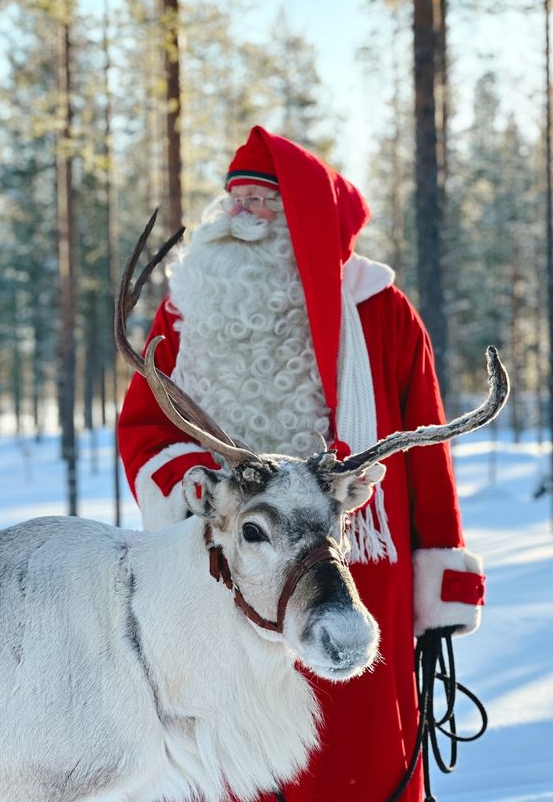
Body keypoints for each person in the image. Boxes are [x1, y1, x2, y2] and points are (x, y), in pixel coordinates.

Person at [118, 126, 485, 802]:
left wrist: (441, 571)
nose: (243, 218)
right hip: (230, 576)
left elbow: (427, 454)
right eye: (237, 201)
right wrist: (187, 477)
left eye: (263, 202)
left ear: (303, 218)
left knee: (358, 754)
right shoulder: (185, 312)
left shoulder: (382, 312)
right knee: (235, 750)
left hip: (357, 564)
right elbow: (144, 423)